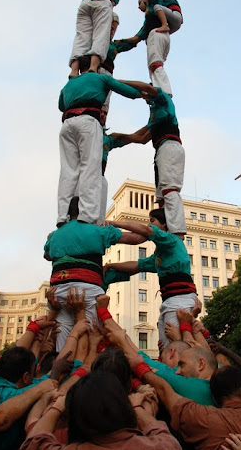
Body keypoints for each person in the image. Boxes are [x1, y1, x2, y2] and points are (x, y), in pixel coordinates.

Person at [19, 372, 184, 450]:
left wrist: (57, 407)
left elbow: (34, 443)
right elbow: (157, 430)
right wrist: (136, 407)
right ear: (124, 405)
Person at [45, 197, 146, 350]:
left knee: (62, 340)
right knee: (92, 337)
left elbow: (47, 255)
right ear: (87, 211)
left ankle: (61, 367)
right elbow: (138, 238)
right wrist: (113, 223)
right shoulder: (98, 230)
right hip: (88, 290)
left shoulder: (55, 236)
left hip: (58, 291)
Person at [57, 56, 142, 226]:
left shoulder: (68, 85)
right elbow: (131, 93)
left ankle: (62, 215)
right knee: (91, 167)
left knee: (68, 171)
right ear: (95, 66)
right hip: (87, 122)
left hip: (67, 125)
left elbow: (61, 105)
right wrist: (146, 93)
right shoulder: (100, 77)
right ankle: (87, 214)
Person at [103, 208, 196, 345]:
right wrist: (111, 266)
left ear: (164, 225)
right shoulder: (161, 255)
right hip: (170, 301)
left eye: (152, 221)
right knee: (166, 346)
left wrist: (115, 224)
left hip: (179, 300)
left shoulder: (172, 240)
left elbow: (146, 231)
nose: (149, 225)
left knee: (176, 346)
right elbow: (137, 265)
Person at [117, 79, 186, 235]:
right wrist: (117, 138)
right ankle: (165, 228)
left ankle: (177, 232)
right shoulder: (154, 114)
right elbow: (141, 138)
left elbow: (146, 87)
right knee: (161, 194)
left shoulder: (164, 100)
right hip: (162, 150)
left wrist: (116, 83)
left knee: (169, 188)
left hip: (170, 146)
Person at [69, 0, 147, 76]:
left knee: (81, 37)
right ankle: (93, 67)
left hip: (85, 2)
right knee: (101, 34)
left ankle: (74, 71)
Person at [115, 0, 172, 95]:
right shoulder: (147, 23)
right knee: (155, 65)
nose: (139, 6)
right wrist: (121, 41)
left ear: (147, 0)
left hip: (156, 35)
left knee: (155, 64)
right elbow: (136, 39)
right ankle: (157, 87)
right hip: (164, 38)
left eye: (140, 2)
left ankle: (164, 91)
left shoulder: (154, 6)